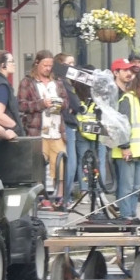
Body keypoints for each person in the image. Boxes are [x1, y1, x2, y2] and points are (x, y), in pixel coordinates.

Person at [18, 50, 69, 203]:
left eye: (50, 65)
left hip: (56, 130)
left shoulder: (57, 82)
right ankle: (40, 198)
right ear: (37, 64)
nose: (48, 68)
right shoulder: (28, 82)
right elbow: (21, 105)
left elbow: (67, 102)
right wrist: (41, 104)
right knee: (38, 167)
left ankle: (59, 198)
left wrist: (60, 104)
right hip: (37, 130)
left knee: (60, 166)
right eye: (45, 65)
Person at [111, 70, 140, 222]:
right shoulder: (128, 99)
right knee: (127, 187)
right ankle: (126, 216)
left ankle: (131, 214)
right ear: (139, 83)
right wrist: (125, 147)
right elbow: (121, 126)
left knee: (136, 187)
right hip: (128, 152)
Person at [74, 65, 108, 199]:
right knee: (100, 161)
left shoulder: (77, 91)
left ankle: (84, 192)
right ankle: (100, 191)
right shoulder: (100, 91)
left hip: (82, 129)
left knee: (83, 161)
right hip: (99, 130)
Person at [55, 53, 81, 204]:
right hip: (67, 125)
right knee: (70, 162)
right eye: (69, 63)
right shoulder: (64, 82)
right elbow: (76, 104)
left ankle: (64, 195)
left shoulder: (63, 82)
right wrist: (74, 109)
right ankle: (66, 196)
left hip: (63, 124)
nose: (73, 67)